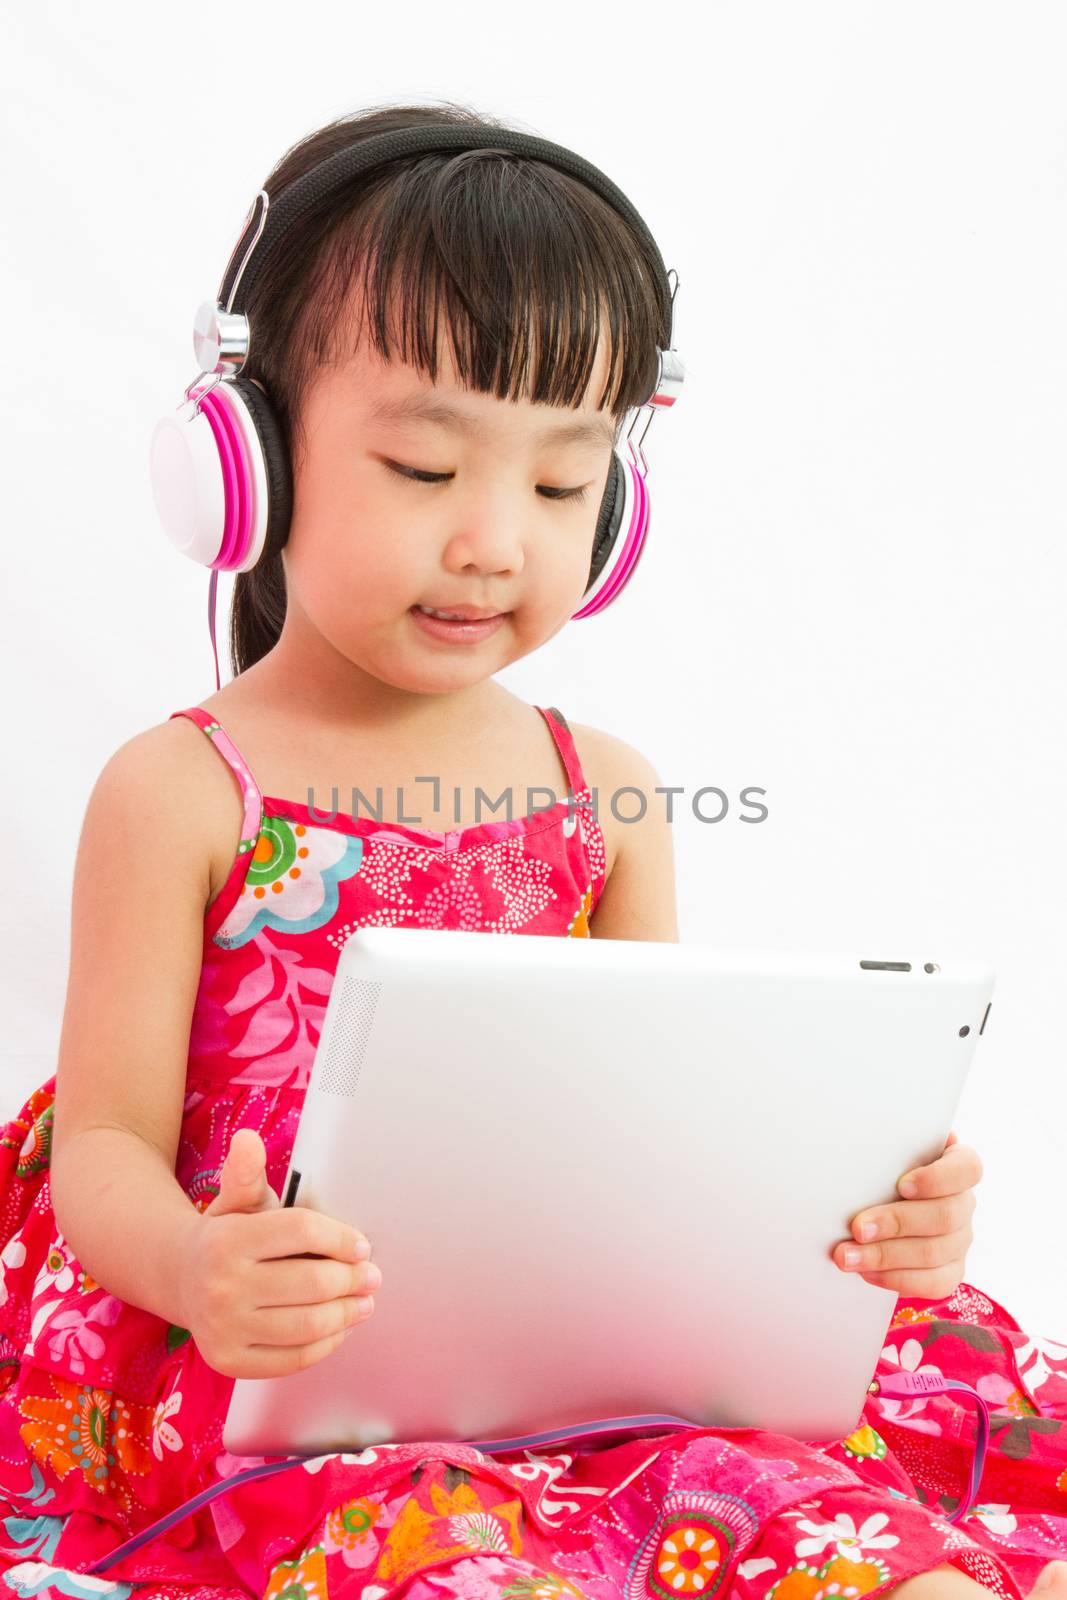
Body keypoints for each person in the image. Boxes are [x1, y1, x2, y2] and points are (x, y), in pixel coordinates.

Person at [0, 99, 1064, 1600]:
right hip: (295, 1377)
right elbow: (102, 1144)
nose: (496, 539)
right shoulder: (184, 791)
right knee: (460, 1554)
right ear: (253, 460)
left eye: (562, 483)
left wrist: (870, 1200)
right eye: (427, 470)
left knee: (852, 1532)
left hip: (577, 1350)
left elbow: (662, 1133)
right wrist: (198, 1272)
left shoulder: (602, 794)